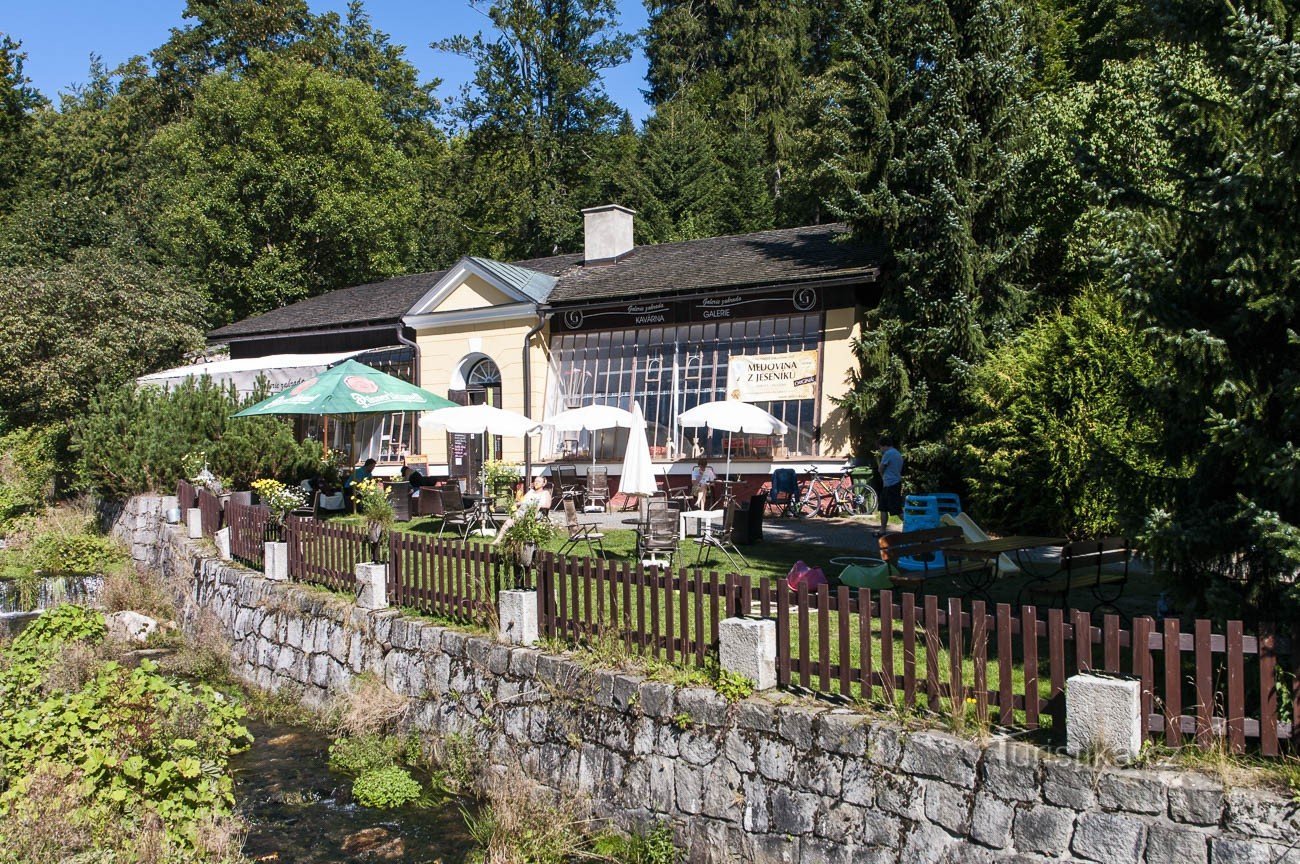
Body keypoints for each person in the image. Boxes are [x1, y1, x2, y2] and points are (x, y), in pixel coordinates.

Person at [492, 476, 553, 544]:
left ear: (543, 484)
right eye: (535, 481)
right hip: (522, 512)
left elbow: (548, 505)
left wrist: (538, 506)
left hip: (534, 514)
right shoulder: (531, 492)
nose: (536, 483)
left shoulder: (545, 493)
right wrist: (515, 504)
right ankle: (498, 540)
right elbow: (523, 501)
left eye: (539, 482)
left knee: (519, 521)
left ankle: (514, 541)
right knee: (508, 522)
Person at [877, 435, 904, 535]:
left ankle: (912, 526)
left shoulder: (888, 453)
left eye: (880, 447)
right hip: (894, 483)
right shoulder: (897, 453)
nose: (880, 450)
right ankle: (882, 530)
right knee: (883, 507)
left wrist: (882, 476)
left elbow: (881, 468)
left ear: (884, 446)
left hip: (890, 484)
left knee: (896, 509)